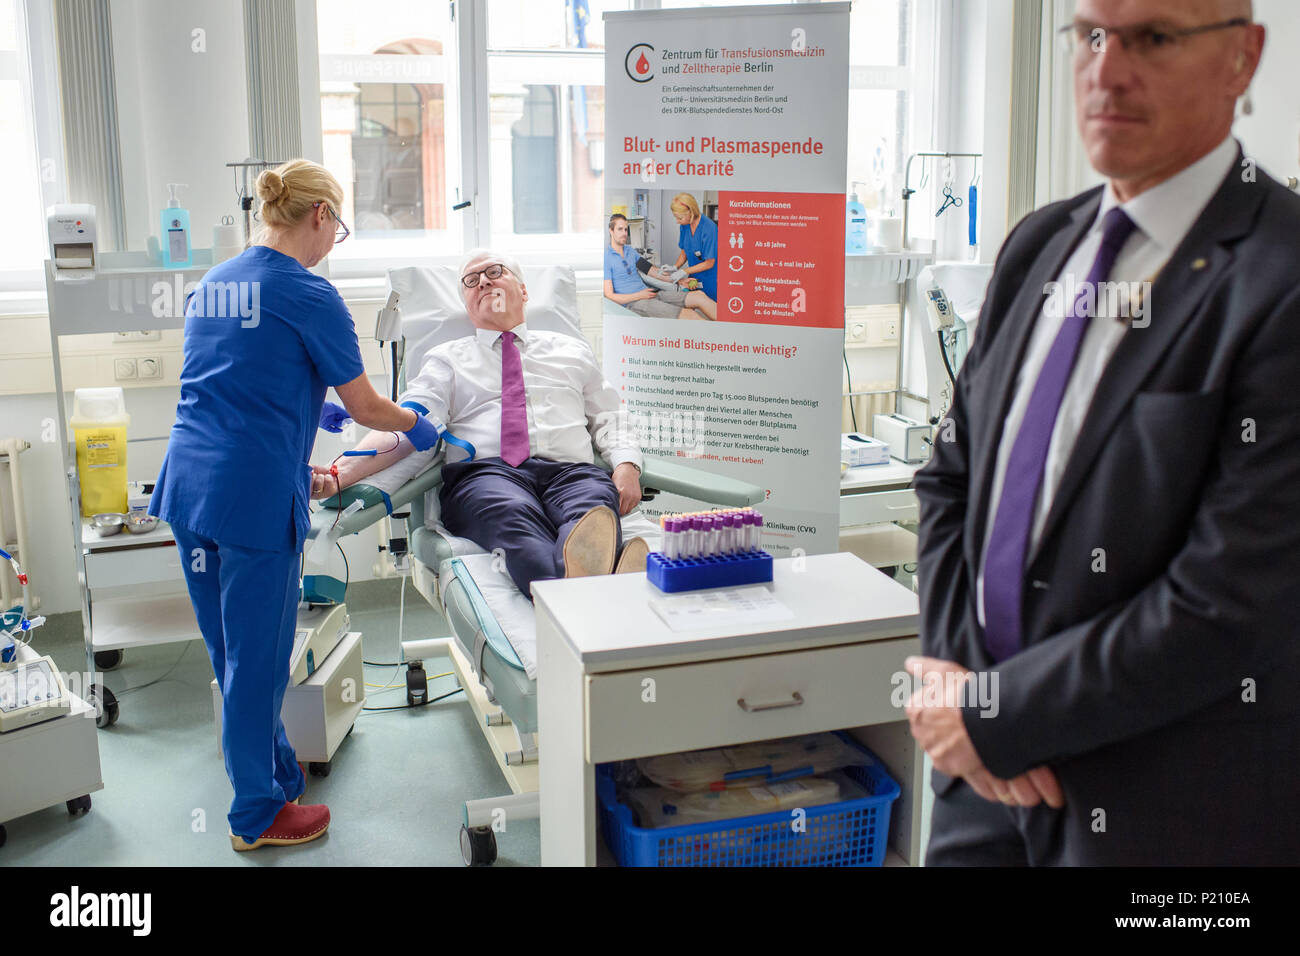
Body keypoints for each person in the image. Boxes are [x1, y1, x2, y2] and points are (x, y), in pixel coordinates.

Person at [909, 0, 1300, 865]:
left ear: (1243, 58)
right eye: (1088, 33)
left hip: (1163, 812)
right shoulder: (1040, 246)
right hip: (980, 790)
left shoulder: (1281, 281)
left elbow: (1228, 604)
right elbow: (950, 481)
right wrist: (954, 684)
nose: (1106, 68)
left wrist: (998, 715)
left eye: (1152, 38)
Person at [149, 159, 442, 851]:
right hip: (250, 501)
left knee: (231, 653)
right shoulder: (313, 295)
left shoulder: (216, 283)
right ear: (318, 217)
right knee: (260, 661)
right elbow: (368, 403)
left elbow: (233, 384)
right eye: (337, 227)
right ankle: (255, 816)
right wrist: (413, 424)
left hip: (189, 486)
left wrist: (310, 424)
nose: (334, 241)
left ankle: (275, 773)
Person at [322, 249, 648, 598]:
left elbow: (611, 416)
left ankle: (582, 574)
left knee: (593, 511)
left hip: (572, 472)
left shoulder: (572, 351)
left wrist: (627, 466)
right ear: (467, 305)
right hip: (488, 475)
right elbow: (407, 425)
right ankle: (598, 584)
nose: (484, 282)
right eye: (471, 281)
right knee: (512, 519)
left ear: (523, 291)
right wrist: (338, 474)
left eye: (495, 272)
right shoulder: (446, 359)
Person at [603, 213, 716, 319]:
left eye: (626, 229)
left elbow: (651, 271)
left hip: (650, 294)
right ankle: (719, 338)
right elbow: (610, 295)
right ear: (611, 231)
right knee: (689, 314)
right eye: (620, 229)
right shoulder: (606, 258)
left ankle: (727, 326)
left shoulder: (630, 251)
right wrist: (639, 295)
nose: (624, 233)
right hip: (635, 303)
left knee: (699, 296)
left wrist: (679, 281)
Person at [664, 193, 717, 303]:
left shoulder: (709, 228)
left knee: (709, 308)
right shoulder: (685, 226)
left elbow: (709, 262)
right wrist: (675, 266)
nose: (677, 221)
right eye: (676, 217)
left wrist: (683, 271)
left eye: (680, 218)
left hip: (710, 279)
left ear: (691, 213)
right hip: (693, 278)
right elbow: (685, 250)